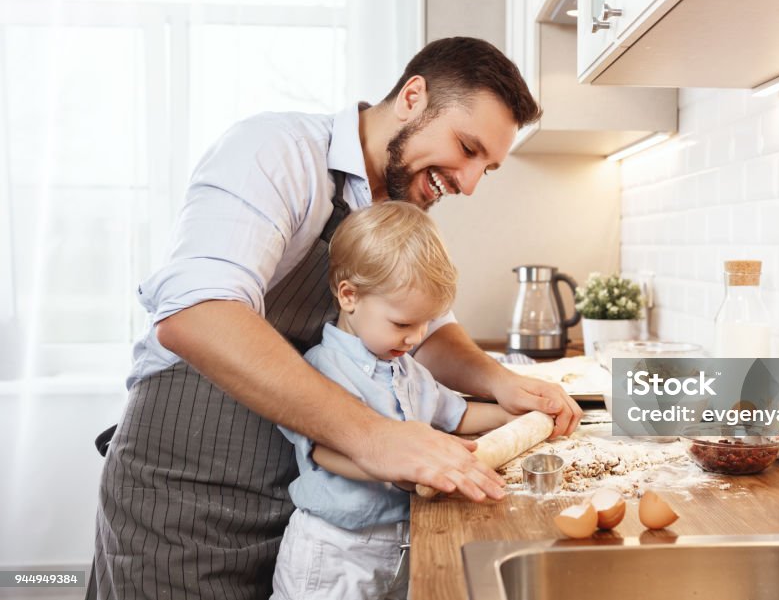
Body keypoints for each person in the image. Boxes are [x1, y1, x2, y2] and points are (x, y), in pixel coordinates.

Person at [90, 36, 583, 599]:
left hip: (308, 499)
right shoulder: (276, 151)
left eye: (486, 169)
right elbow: (198, 313)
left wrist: (504, 383)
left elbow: (432, 333)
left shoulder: (397, 212)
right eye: (467, 148)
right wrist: (374, 437)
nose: (468, 184)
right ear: (413, 97)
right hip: (190, 487)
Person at [271, 201, 516, 600]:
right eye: (403, 324)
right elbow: (322, 452)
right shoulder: (321, 369)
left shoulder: (409, 370)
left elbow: (459, 414)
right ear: (349, 296)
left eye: (425, 323)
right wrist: (390, 467)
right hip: (335, 553)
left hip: (398, 547)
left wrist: (514, 415)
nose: (416, 338)